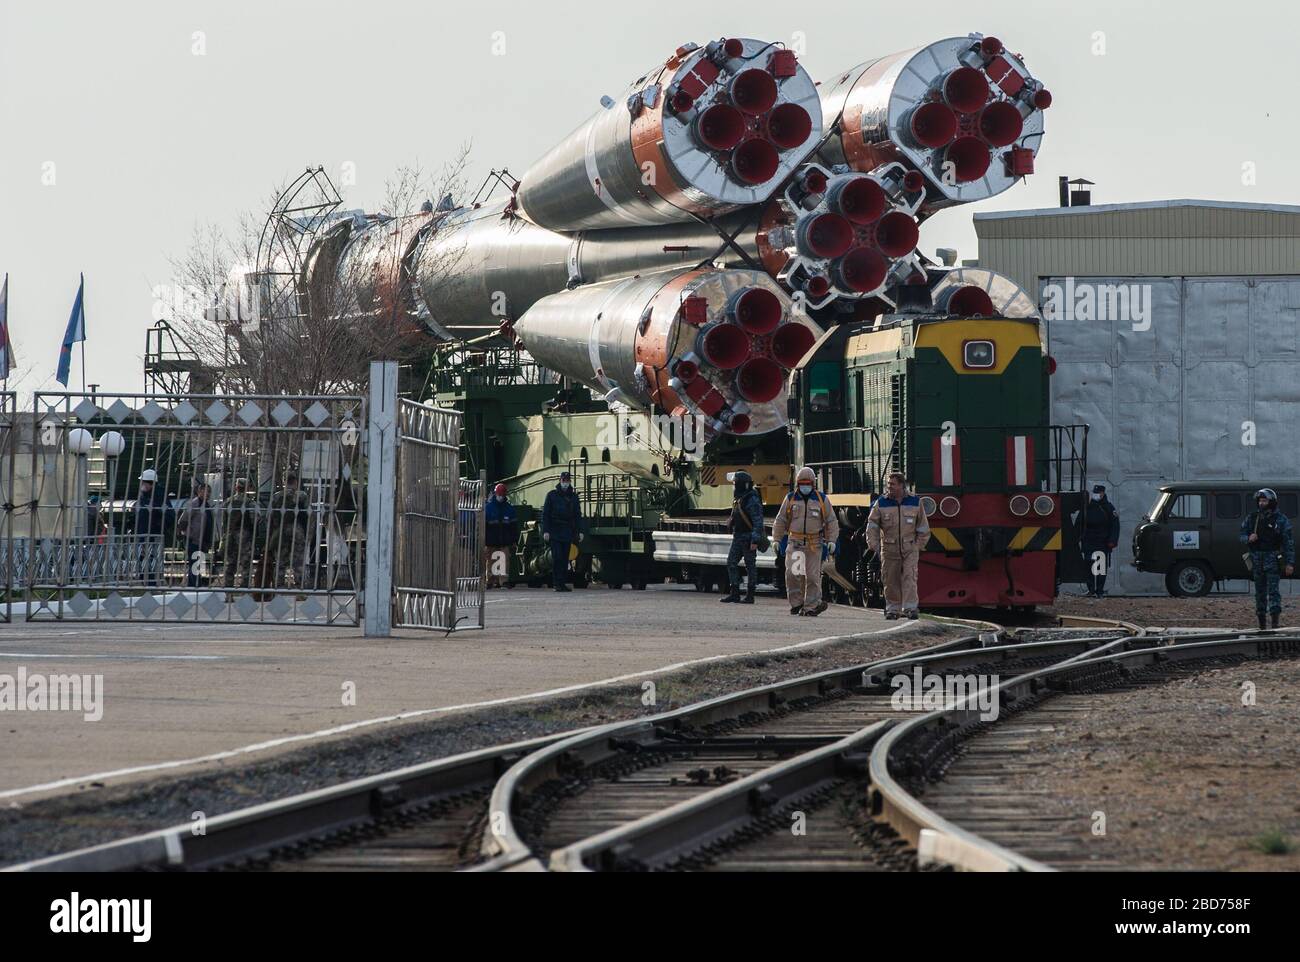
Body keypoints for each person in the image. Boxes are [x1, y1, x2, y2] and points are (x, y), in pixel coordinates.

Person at [772, 466, 839, 617]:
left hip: (814, 545)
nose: (805, 486)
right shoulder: (790, 499)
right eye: (802, 483)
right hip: (795, 543)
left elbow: (831, 521)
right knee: (792, 574)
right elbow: (780, 520)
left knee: (813, 577)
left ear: (813, 484)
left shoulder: (822, 499)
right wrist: (776, 539)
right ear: (797, 483)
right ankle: (796, 604)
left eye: (808, 483)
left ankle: (811, 606)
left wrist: (832, 540)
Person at [866, 472, 929, 620]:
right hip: (889, 549)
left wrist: (918, 546)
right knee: (890, 579)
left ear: (901, 485)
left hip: (910, 548)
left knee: (910, 577)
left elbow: (923, 527)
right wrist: (874, 544)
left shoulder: (915, 502)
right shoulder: (881, 503)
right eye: (888, 484)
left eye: (892, 484)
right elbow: (872, 525)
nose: (889, 487)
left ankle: (910, 608)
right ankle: (893, 609)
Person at [1240, 487, 1295, 629]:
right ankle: (1262, 624)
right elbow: (1241, 535)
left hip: (1273, 560)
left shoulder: (1281, 520)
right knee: (1259, 593)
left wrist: (1290, 563)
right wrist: (1248, 538)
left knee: (1274, 592)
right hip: (1257, 560)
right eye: (1260, 501)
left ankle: (1275, 624)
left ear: (1271, 502)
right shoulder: (1252, 518)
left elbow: (1288, 543)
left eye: (1264, 501)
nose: (1261, 503)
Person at [721, 470, 764, 604]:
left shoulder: (752, 499)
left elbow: (758, 521)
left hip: (748, 537)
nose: (734, 485)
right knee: (731, 562)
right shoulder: (739, 498)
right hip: (738, 536)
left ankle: (750, 595)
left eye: (735, 483)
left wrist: (755, 540)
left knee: (750, 566)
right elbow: (736, 513)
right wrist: (731, 521)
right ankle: (735, 593)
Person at [265, 471, 311, 589]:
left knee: (280, 559)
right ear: (295, 481)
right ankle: (300, 587)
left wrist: (272, 532)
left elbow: (269, 516)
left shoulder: (276, 496)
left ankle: (278, 585)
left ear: (285, 481)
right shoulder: (302, 496)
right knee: (298, 561)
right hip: (297, 530)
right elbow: (308, 515)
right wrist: (308, 532)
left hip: (281, 531)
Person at [541, 470, 583, 592]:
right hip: (555, 530)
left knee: (565, 559)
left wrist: (580, 531)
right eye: (564, 481)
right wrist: (546, 531)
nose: (565, 483)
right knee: (557, 557)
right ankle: (556, 583)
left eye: (567, 481)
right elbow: (546, 514)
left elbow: (577, 515)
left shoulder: (573, 497)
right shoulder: (551, 495)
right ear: (560, 481)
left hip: (567, 531)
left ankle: (562, 583)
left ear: (570, 482)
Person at [133, 468, 173, 586]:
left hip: (153, 536)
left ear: (150, 483)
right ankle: (145, 582)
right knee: (143, 559)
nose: (141, 484)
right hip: (142, 535)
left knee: (152, 560)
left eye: (143, 482)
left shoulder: (159, 496)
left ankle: (152, 583)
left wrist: (158, 527)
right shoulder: (143, 495)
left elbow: (169, 515)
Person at [1081, 483, 1120, 597]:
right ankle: (1091, 589)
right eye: (1095, 493)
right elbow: (1080, 523)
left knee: (1100, 568)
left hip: (1102, 542)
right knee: (1088, 567)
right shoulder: (1088, 507)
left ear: (1103, 493)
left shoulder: (1109, 507)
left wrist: (1112, 540)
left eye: (1098, 493)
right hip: (1089, 542)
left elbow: (1115, 526)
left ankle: (1099, 591)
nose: (1096, 495)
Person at [222, 478, 260, 589]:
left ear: (236, 487)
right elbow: (256, 519)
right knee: (246, 564)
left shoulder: (228, 502)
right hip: (245, 536)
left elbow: (224, 522)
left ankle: (228, 590)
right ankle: (244, 589)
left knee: (230, 564)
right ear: (247, 488)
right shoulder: (250, 503)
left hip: (230, 535)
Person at [177, 481, 216, 588]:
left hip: (203, 540)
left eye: (209, 492)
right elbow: (183, 520)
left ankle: (195, 584)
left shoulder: (207, 505)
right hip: (194, 539)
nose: (207, 494)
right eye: (205, 491)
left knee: (198, 562)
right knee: (194, 562)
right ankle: (194, 585)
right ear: (199, 492)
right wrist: (183, 533)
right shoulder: (194, 504)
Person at [484, 482, 518, 589]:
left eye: (502, 495)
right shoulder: (488, 508)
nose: (501, 497)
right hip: (491, 539)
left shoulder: (509, 509)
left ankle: (503, 581)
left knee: (503, 560)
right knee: (491, 560)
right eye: (499, 495)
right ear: (495, 494)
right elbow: (483, 525)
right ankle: (491, 580)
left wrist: (514, 540)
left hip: (504, 539)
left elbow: (513, 526)